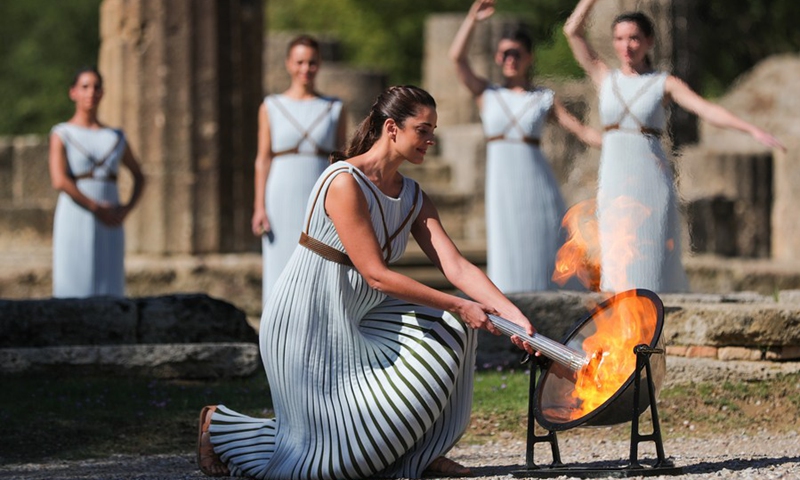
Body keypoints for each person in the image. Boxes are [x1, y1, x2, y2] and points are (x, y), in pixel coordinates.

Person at [197, 85, 535, 479]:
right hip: (307, 324)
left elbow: (456, 266)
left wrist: (514, 316)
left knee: (450, 330)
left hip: (362, 321)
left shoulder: (413, 196)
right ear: (392, 128)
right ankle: (221, 426)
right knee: (330, 462)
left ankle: (420, 455)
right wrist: (459, 304)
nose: (430, 139)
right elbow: (376, 275)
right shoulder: (344, 181)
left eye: (433, 131)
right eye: (422, 130)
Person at [563, 0, 785, 293]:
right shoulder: (604, 77)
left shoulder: (663, 83)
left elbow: (706, 109)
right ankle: (622, 319)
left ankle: (661, 315)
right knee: (617, 260)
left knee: (653, 259)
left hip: (650, 180)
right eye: (619, 38)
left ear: (649, 41)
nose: (626, 46)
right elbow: (572, 31)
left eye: (634, 38)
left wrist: (750, 129)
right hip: (614, 179)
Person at [449, 0, 602, 294]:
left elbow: (580, 130)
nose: (510, 59)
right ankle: (509, 310)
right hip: (502, 186)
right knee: (505, 246)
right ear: (497, 57)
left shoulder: (542, 98)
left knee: (544, 244)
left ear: (528, 57)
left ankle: (552, 311)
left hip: (537, 184)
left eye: (516, 54)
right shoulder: (487, 94)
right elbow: (457, 59)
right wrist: (472, 19)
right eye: (504, 54)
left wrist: (621, 140)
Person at [252, 34, 347, 308]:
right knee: (279, 265)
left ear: (320, 64)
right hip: (280, 194)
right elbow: (263, 159)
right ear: (288, 64)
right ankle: (276, 326)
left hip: (319, 194)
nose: (306, 68)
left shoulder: (334, 107)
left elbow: (342, 160)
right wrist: (259, 206)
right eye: (300, 62)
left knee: (319, 264)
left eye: (312, 62)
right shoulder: (271, 106)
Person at [48, 67, 145, 298]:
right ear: (73, 92)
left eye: (96, 87)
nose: (91, 92)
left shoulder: (115, 137)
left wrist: (126, 208)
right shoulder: (62, 133)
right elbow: (59, 180)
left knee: (109, 280)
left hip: (110, 217)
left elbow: (139, 176)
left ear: (102, 93)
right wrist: (95, 207)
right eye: (85, 87)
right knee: (73, 282)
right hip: (76, 213)